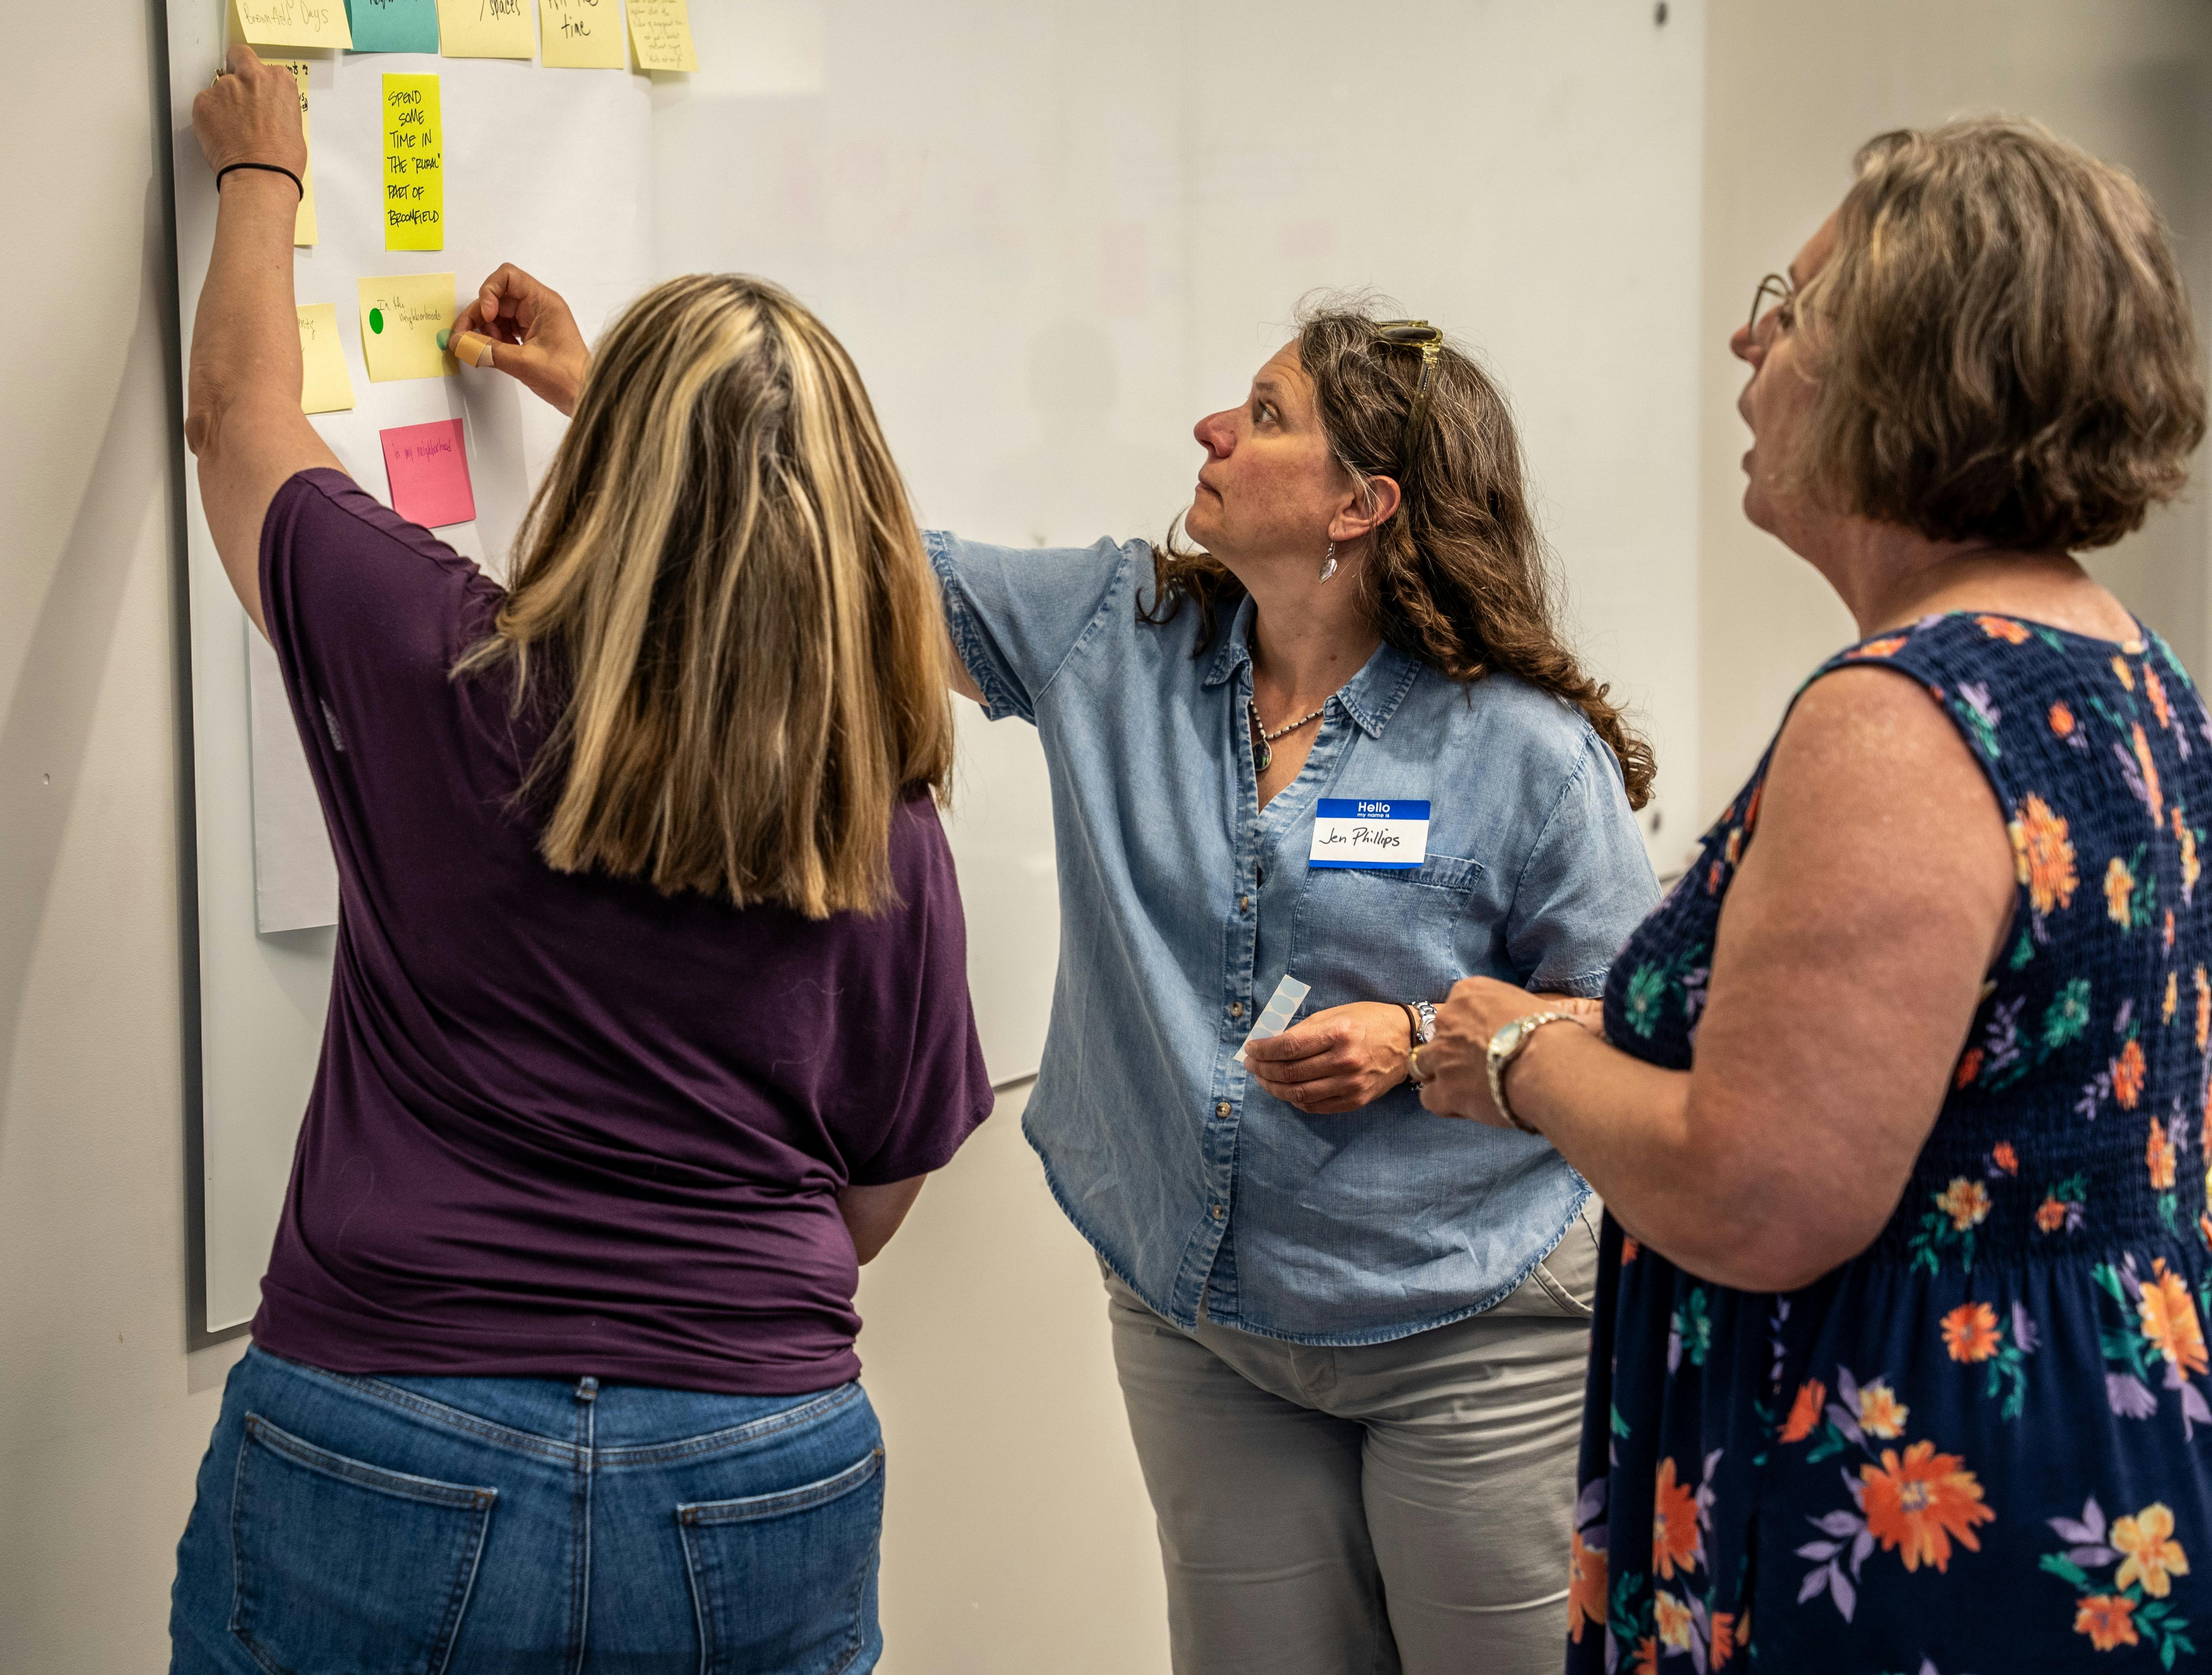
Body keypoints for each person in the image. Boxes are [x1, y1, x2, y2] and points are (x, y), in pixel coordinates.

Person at [447, 279, 1657, 1675]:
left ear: (1362, 507)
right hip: (1203, 1320)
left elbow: (1638, 1027)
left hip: (1465, 1327)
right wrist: (609, 389)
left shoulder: (1520, 750)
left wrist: (1429, 1030)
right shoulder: (1116, 634)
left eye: (1264, 416)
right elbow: (834, 555)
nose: (1212, 425)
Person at [169, 51, 991, 1673]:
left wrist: (264, 174)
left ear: (615, 468)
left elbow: (240, 422)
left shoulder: (442, 665)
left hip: (388, 1432)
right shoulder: (879, 817)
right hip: (757, 1467)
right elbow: (878, 1193)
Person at [1414, 118, 2212, 1672]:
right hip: (2076, 1446)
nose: (1747, 336)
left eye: (1793, 301)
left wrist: (1523, 1062)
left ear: (1913, 363)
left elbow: (1760, 1191)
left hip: (1912, 1490)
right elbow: (1970, 1072)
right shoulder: (2120, 664)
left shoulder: (1903, 711)